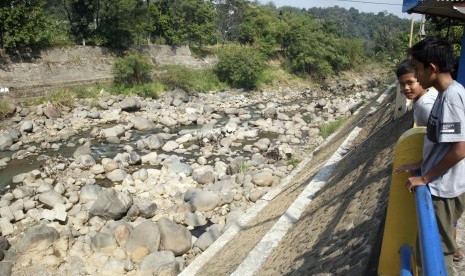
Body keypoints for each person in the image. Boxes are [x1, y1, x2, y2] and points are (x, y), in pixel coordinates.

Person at [395, 36, 465, 275]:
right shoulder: (441, 95)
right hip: (440, 183)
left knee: (437, 254)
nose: (415, 73)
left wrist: (426, 177)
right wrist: (421, 164)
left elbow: (460, 148)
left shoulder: (452, 97)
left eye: (416, 68)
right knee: (429, 248)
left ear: (431, 69)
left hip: (445, 188)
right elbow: (440, 144)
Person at [396, 59, 438, 127]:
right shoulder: (430, 91)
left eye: (410, 82)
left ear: (421, 78)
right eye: (402, 84)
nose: (406, 87)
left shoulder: (425, 106)